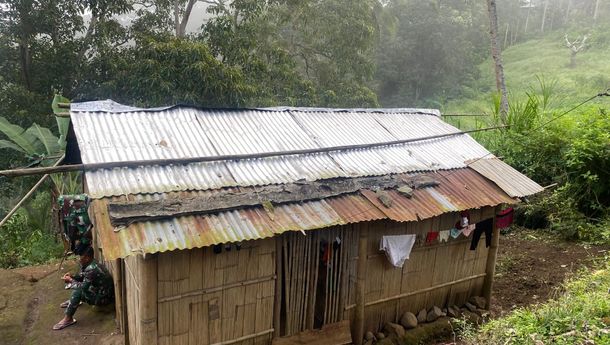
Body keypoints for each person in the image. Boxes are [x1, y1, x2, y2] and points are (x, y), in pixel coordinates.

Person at [53, 246, 114, 330]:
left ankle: (68, 318)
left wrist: (70, 280)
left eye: (80, 257)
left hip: (104, 299)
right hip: (100, 291)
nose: (79, 259)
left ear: (87, 258)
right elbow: (83, 276)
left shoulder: (91, 269)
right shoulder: (92, 263)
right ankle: (74, 301)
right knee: (78, 287)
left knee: (78, 291)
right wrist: (72, 276)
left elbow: (82, 288)